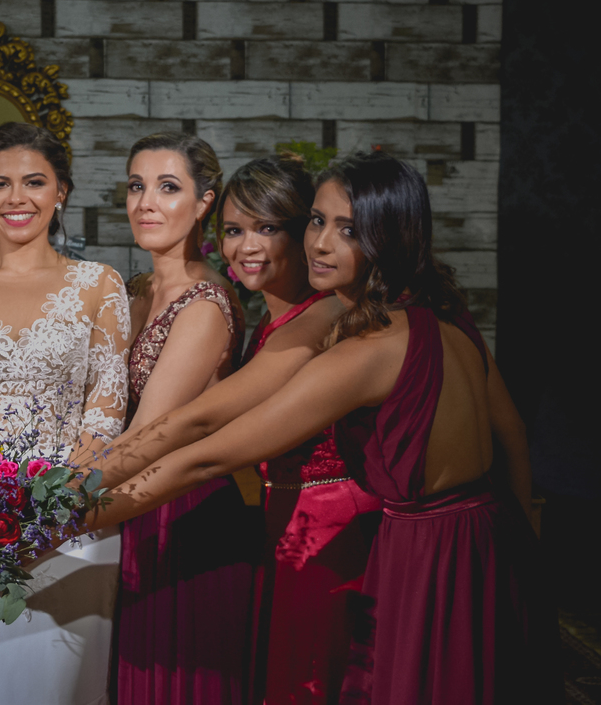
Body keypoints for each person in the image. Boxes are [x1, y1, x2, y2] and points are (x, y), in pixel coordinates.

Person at [78, 152, 558, 703]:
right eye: (317, 221)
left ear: (388, 236)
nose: (321, 244)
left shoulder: (363, 347)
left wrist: (65, 514)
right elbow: (513, 433)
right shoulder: (445, 317)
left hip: (414, 542)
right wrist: (523, 553)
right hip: (488, 533)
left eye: (348, 230)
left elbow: (207, 447)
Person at [0, 122, 131, 705]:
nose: (17, 198)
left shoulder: (100, 284)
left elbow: (105, 414)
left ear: (61, 190)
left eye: (34, 182)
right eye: (0, 184)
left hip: (75, 525)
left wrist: (53, 511)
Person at [219, 156, 379, 704]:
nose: (248, 247)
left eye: (267, 228)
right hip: (284, 514)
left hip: (330, 522)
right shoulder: (267, 320)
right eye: (233, 231)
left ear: (298, 233)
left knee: (315, 678)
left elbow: (215, 429)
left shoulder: (322, 317)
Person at [113, 133, 252, 705]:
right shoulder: (135, 290)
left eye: (167, 187)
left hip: (185, 516)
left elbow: (147, 431)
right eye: (136, 186)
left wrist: (53, 506)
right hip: (131, 503)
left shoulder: (205, 304)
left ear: (204, 204)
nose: (146, 203)